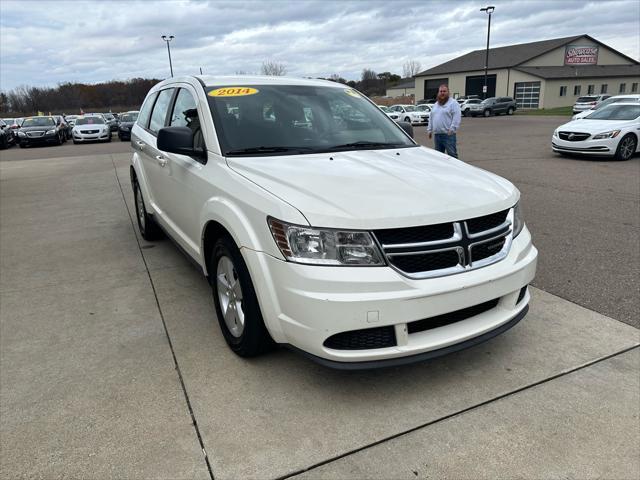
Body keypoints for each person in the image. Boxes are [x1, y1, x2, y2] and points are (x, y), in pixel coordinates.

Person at [427, 84, 462, 158]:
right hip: (437, 135)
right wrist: (429, 130)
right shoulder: (436, 104)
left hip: (448, 135)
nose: (442, 93)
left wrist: (452, 129)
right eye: (441, 91)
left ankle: (454, 169)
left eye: (444, 91)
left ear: (448, 92)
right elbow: (431, 117)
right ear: (438, 93)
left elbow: (457, 117)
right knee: (439, 156)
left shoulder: (453, 103)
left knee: (452, 155)